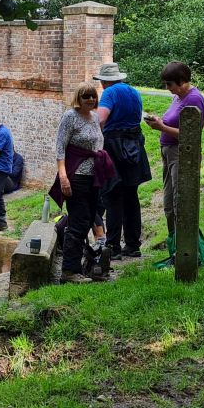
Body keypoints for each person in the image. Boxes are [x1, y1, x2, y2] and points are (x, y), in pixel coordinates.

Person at [49, 82, 116, 277]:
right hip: (76, 175)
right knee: (78, 222)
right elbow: (60, 147)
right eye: (86, 96)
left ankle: (82, 263)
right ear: (78, 98)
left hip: (93, 176)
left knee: (88, 219)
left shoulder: (94, 117)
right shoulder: (70, 117)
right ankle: (69, 271)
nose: (90, 99)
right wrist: (63, 176)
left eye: (93, 96)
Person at [143, 62, 204, 263]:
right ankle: (176, 251)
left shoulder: (194, 99)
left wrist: (161, 127)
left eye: (169, 84)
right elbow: (173, 121)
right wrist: (159, 120)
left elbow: (191, 135)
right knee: (169, 205)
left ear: (181, 81)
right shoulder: (178, 97)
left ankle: (189, 252)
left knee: (182, 204)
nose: (167, 88)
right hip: (169, 154)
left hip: (182, 155)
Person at [95, 62, 152, 260]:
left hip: (113, 146)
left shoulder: (109, 93)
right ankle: (133, 245)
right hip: (134, 145)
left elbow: (101, 120)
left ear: (104, 81)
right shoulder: (134, 92)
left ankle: (113, 246)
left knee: (112, 196)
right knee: (131, 197)